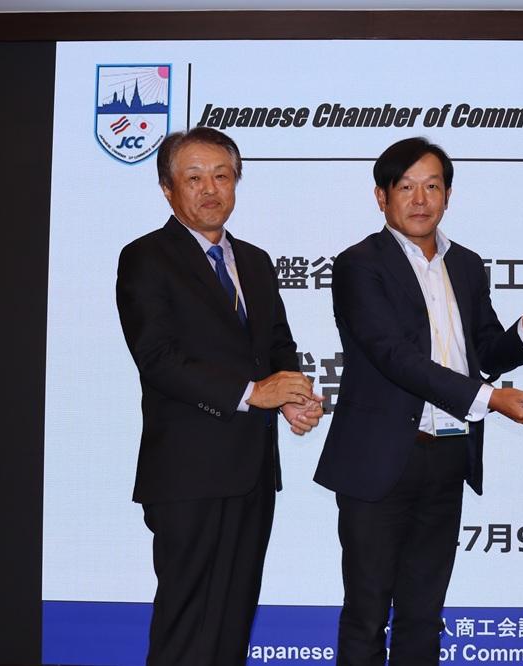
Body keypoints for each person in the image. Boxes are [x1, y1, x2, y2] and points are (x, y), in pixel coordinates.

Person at [314, 137, 523, 665]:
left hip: (448, 456)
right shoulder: (359, 265)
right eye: (406, 187)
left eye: (432, 186)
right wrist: (491, 399)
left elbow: (484, 352)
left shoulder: (466, 265)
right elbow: (394, 357)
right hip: (379, 462)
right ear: (381, 197)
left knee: (424, 614)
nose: (420, 199)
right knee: (366, 613)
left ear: (448, 195)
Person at [116, 126, 324, 666]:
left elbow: (277, 345)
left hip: (253, 472)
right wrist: (253, 392)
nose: (210, 189)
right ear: (168, 189)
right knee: (186, 626)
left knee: (233, 623)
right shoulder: (146, 257)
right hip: (188, 476)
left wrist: (291, 394)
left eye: (222, 176)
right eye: (194, 178)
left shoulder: (254, 261)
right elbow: (157, 358)